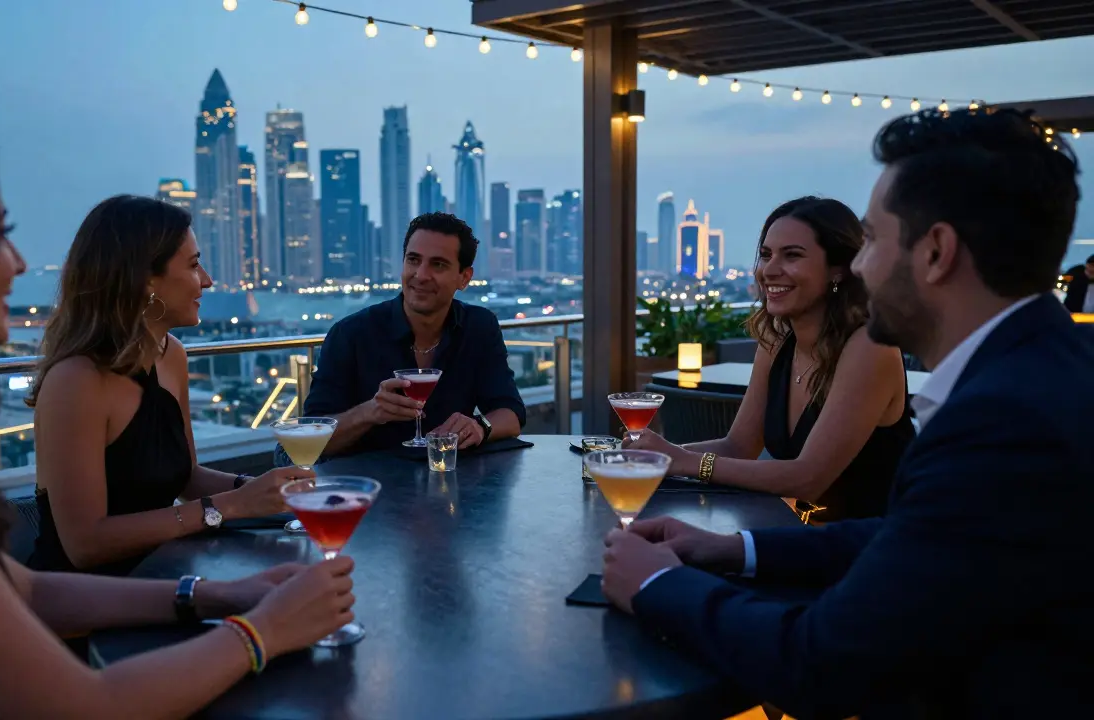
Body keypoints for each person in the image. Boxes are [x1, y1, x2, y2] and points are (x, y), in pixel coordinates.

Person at [0, 110, 355, 718]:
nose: (19, 263)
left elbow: (27, 590)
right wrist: (263, 632)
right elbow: (85, 705)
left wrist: (219, 595)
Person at [602, 108, 1092, 717]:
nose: (861, 265)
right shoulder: (1042, 376)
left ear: (936, 252)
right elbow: (908, 534)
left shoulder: (1005, 421)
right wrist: (733, 548)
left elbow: (824, 665)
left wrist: (657, 584)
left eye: (875, 240)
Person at [27, 196, 311, 575]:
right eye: (193, 265)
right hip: (87, 595)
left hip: (165, 573)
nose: (207, 280)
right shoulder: (76, 381)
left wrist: (266, 489)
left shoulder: (170, 354)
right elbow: (85, 545)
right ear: (145, 279)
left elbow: (187, 477)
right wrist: (232, 505)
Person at [629, 197, 913, 521]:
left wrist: (684, 461)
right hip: (801, 531)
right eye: (766, 255)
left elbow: (808, 479)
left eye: (792, 255)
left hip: (876, 542)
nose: (769, 270)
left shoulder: (870, 347)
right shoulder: (777, 339)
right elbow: (738, 447)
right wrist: (654, 457)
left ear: (838, 270)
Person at [303, 212, 526, 456]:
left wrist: (480, 426)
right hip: (368, 478)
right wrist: (370, 412)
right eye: (413, 260)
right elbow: (310, 440)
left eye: (438, 264)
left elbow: (511, 412)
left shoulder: (479, 326)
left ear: (464, 278)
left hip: (452, 476)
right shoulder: (350, 334)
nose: (420, 275)